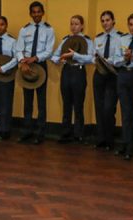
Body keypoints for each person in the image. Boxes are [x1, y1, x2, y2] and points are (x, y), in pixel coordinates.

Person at [15, 1, 54, 145]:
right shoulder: (24, 30)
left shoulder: (49, 30)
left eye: (39, 11)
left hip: (40, 66)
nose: (36, 14)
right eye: (34, 12)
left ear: (43, 13)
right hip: (26, 66)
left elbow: (49, 51)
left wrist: (35, 58)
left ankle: (40, 133)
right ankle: (27, 132)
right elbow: (19, 49)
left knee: (41, 102)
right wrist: (23, 62)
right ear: (30, 14)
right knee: (28, 102)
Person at [51, 15, 93, 144]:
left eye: (76, 24)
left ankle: (79, 133)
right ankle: (65, 133)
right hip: (67, 71)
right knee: (67, 104)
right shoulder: (65, 40)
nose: (73, 26)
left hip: (79, 71)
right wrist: (60, 59)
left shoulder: (87, 41)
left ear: (82, 26)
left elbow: (90, 58)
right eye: (72, 24)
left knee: (78, 104)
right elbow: (54, 56)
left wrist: (75, 55)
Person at [112, 13, 133, 160]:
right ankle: (125, 143)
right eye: (130, 24)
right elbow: (115, 60)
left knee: (132, 111)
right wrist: (124, 58)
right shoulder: (122, 39)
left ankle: (129, 146)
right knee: (125, 111)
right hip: (122, 76)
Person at [92, 11, 120, 150]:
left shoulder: (121, 37)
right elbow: (93, 57)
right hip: (99, 74)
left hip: (112, 75)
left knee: (109, 108)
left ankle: (110, 140)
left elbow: (119, 58)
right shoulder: (98, 38)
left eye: (108, 20)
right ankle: (101, 139)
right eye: (102, 20)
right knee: (99, 107)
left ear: (113, 21)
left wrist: (110, 61)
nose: (105, 23)